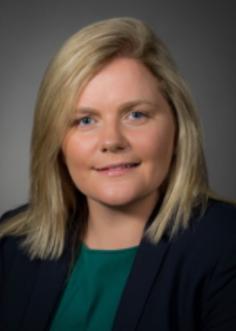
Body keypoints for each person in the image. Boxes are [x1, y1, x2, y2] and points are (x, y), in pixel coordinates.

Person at [0, 17, 236, 331]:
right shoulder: (10, 244)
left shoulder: (226, 244)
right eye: (85, 120)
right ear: (56, 141)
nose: (112, 141)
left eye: (136, 114)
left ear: (177, 127)